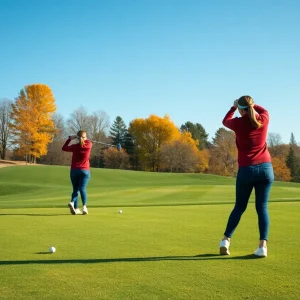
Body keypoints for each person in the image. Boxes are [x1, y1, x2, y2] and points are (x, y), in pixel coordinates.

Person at [219, 96, 274, 257]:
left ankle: (225, 240)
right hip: (266, 169)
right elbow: (264, 110)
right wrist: (251, 104)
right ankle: (262, 246)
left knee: (239, 207)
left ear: (241, 109)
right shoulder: (263, 119)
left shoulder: (237, 123)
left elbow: (225, 120)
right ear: (252, 106)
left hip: (246, 170)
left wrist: (233, 107)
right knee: (262, 208)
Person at [62, 130, 92, 215]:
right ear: (84, 137)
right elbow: (86, 141)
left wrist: (70, 139)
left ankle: (73, 204)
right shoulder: (89, 144)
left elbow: (64, 148)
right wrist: (84, 138)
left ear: (77, 138)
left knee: (75, 189)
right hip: (85, 171)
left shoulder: (74, 146)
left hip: (74, 171)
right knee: (82, 189)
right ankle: (84, 207)